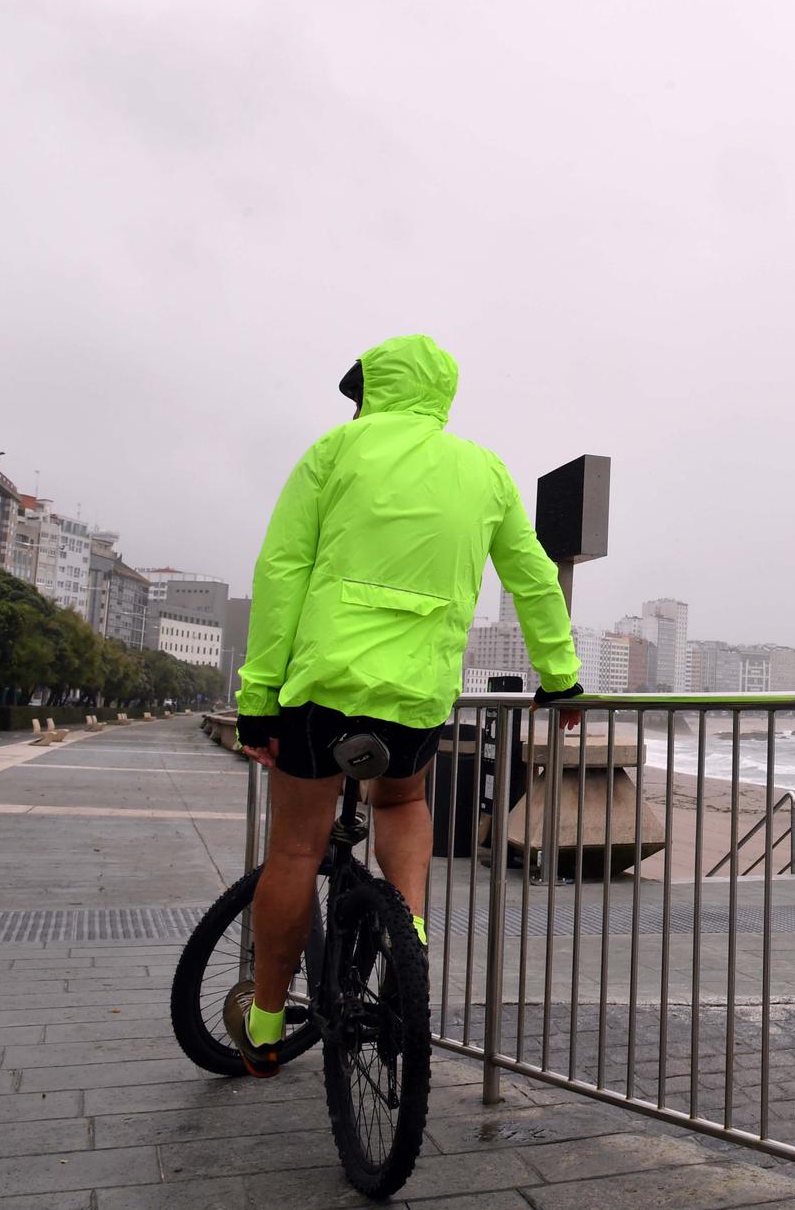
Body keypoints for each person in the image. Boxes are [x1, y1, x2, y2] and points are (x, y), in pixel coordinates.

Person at [230, 333, 581, 1077]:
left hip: (321, 689)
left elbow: (281, 570)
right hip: (417, 695)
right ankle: (407, 941)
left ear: (374, 388)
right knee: (400, 802)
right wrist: (561, 676)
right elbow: (532, 576)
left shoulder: (334, 451)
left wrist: (258, 697)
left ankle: (264, 1026)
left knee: (295, 848)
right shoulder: (483, 470)